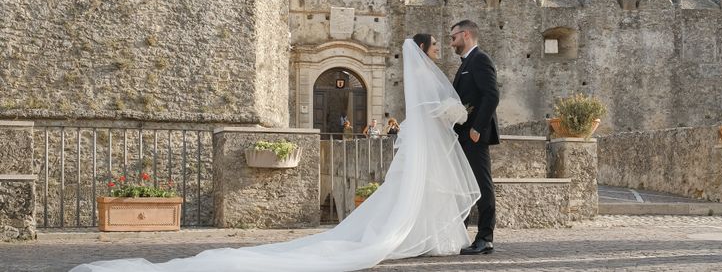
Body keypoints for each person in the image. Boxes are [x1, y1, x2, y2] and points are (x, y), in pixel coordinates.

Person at [71, 37, 480, 272]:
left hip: (419, 148)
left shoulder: (422, 80)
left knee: (401, 194)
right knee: (406, 194)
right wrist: (459, 113)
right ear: (425, 50)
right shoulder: (429, 79)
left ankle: (421, 233)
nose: (441, 50)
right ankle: (422, 235)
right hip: (426, 146)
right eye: (436, 46)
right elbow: (439, 114)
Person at [449, 19, 500, 256]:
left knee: (482, 185)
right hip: (463, 135)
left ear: (466, 35)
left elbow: (491, 95)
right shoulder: (465, 63)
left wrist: (478, 128)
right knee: (465, 186)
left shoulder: (480, 59)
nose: (451, 43)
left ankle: (485, 238)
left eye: (453, 37)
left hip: (475, 135)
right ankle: (461, 234)